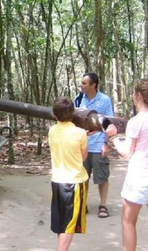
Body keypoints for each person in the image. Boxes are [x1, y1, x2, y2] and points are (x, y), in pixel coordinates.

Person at [110, 78, 148, 251]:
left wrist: (113, 137)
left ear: (138, 95)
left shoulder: (137, 121)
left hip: (140, 176)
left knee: (128, 221)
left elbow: (126, 153)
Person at [49, 97, 89, 251]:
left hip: (57, 181)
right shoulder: (80, 133)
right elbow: (83, 157)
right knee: (70, 225)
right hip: (74, 183)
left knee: (62, 223)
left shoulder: (52, 130)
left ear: (55, 115)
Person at [78, 72, 114, 218]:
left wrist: (105, 143)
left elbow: (109, 123)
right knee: (82, 177)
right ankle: (82, 204)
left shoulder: (105, 100)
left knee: (102, 177)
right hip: (83, 144)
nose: (81, 85)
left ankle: (103, 205)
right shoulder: (79, 98)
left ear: (93, 85)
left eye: (84, 83)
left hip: (98, 144)